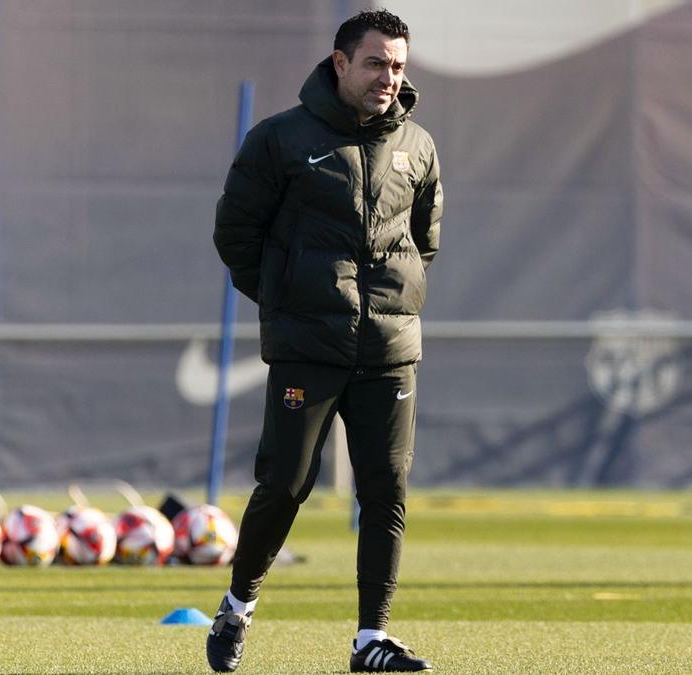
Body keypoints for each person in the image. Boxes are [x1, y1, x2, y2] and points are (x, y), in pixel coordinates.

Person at [209, 8, 441, 673]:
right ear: (340, 64)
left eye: (397, 66)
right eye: (375, 63)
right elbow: (236, 236)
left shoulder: (418, 145)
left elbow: (425, 241)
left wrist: (391, 303)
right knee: (285, 482)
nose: (388, 78)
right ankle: (238, 604)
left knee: (386, 489)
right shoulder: (280, 139)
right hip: (307, 347)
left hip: (389, 350)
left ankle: (372, 638)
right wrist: (290, 302)